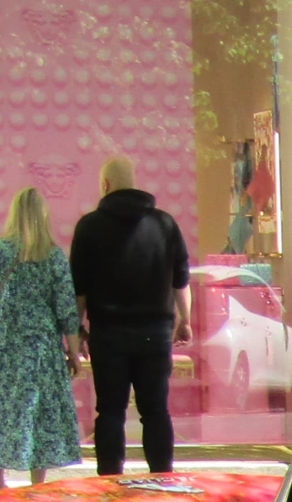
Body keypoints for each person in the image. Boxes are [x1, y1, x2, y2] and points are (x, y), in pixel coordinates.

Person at [69, 155, 191, 476]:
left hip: (108, 335)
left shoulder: (89, 226)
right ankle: (162, 475)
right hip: (156, 333)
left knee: (110, 411)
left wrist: (77, 329)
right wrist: (185, 319)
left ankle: (110, 479)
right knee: (155, 411)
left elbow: (79, 289)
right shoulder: (164, 224)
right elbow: (181, 279)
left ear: (105, 185)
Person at [0, 187, 83, 488]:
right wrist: (73, 352)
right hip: (40, 349)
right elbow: (66, 309)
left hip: (1, 346)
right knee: (38, 413)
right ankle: (37, 483)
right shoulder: (53, 255)